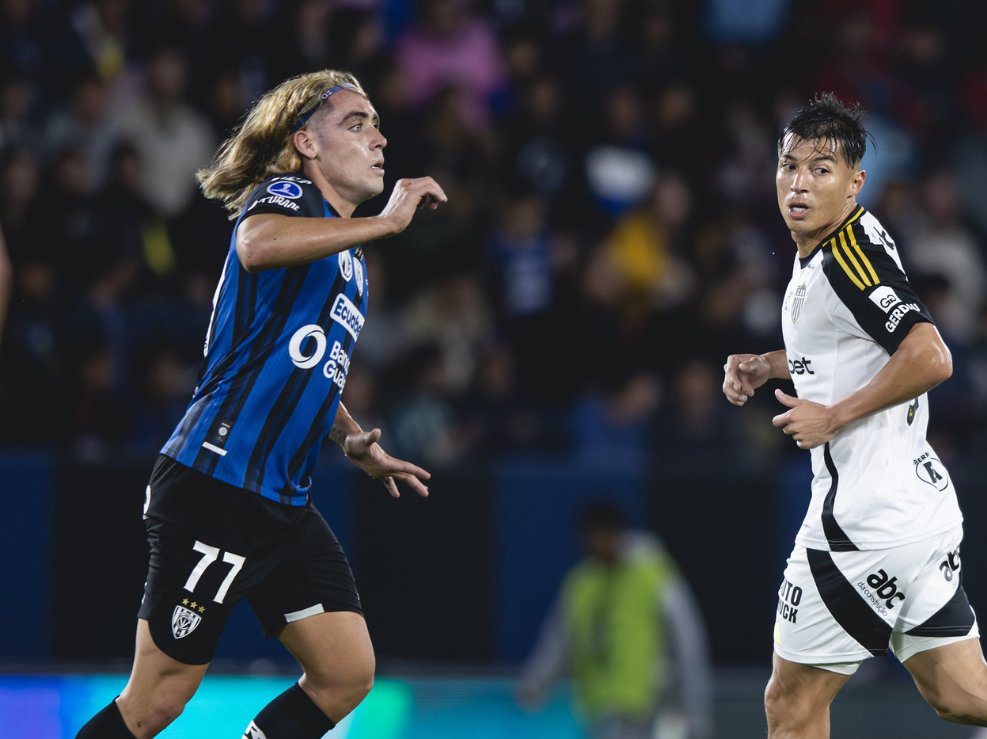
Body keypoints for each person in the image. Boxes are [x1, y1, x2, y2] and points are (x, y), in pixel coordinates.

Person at [721, 93, 987, 739]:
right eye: (789, 165)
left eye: (821, 169)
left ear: (854, 182)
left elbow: (931, 355)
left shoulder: (846, 260)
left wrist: (835, 416)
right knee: (962, 689)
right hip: (919, 507)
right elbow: (851, 348)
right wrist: (769, 365)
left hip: (863, 521)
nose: (799, 182)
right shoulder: (844, 242)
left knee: (790, 708)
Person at [75, 69, 447, 738]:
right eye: (356, 124)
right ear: (306, 142)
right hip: (218, 481)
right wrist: (388, 222)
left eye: (377, 124)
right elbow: (254, 243)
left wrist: (349, 437)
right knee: (156, 700)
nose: (379, 139)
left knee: (346, 673)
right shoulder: (290, 197)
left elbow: (299, 360)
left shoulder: (348, 256)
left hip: (281, 500)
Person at [517, 499, 714, 739]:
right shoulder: (581, 583)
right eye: (591, 536)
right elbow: (558, 640)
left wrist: (694, 705)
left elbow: (687, 638)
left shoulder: (652, 573)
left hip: (645, 704)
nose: (597, 543)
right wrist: (537, 683)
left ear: (617, 533)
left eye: (603, 534)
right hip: (597, 707)